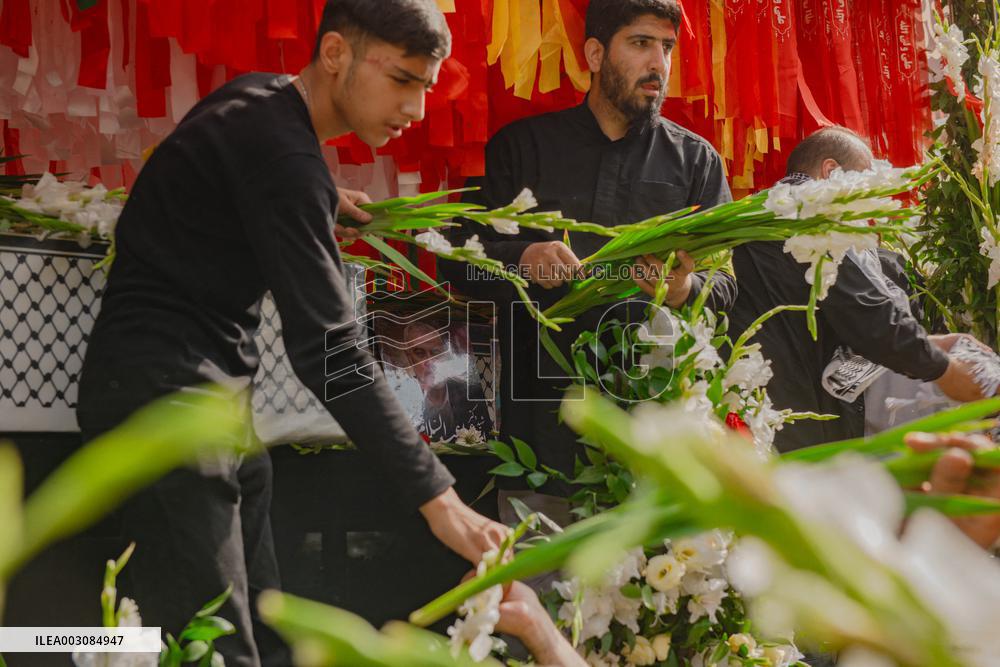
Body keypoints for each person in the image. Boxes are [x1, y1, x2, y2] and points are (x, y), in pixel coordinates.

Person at [75, 1, 508, 664]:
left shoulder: (261, 102)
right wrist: (437, 496)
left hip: (205, 402)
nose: (417, 110)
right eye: (401, 80)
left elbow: (257, 162)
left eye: (426, 85)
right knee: (215, 648)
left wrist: (328, 196)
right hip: (161, 402)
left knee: (263, 630)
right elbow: (329, 347)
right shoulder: (283, 155)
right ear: (335, 53)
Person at [439, 0, 736, 517]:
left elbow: (733, 283)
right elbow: (454, 259)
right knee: (540, 588)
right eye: (641, 43)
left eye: (667, 47)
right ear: (595, 53)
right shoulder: (521, 148)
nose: (659, 63)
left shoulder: (696, 162)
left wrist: (687, 290)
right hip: (539, 434)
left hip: (658, 435)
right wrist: (522, 257)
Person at [730, 126, 988, 452]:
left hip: (763, 405)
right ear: (831, 171)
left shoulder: (755, 215)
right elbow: (868, 314)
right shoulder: (809, 214)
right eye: (865, 185)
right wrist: (944, 370)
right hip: (804, 416)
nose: (869, 206)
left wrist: (933, 342)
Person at [400, 321, 492, 440]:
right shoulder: (400, 401)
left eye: (435, 352)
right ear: (409, 357)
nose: (430, 362)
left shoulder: (471, 394)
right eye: (420, 353)